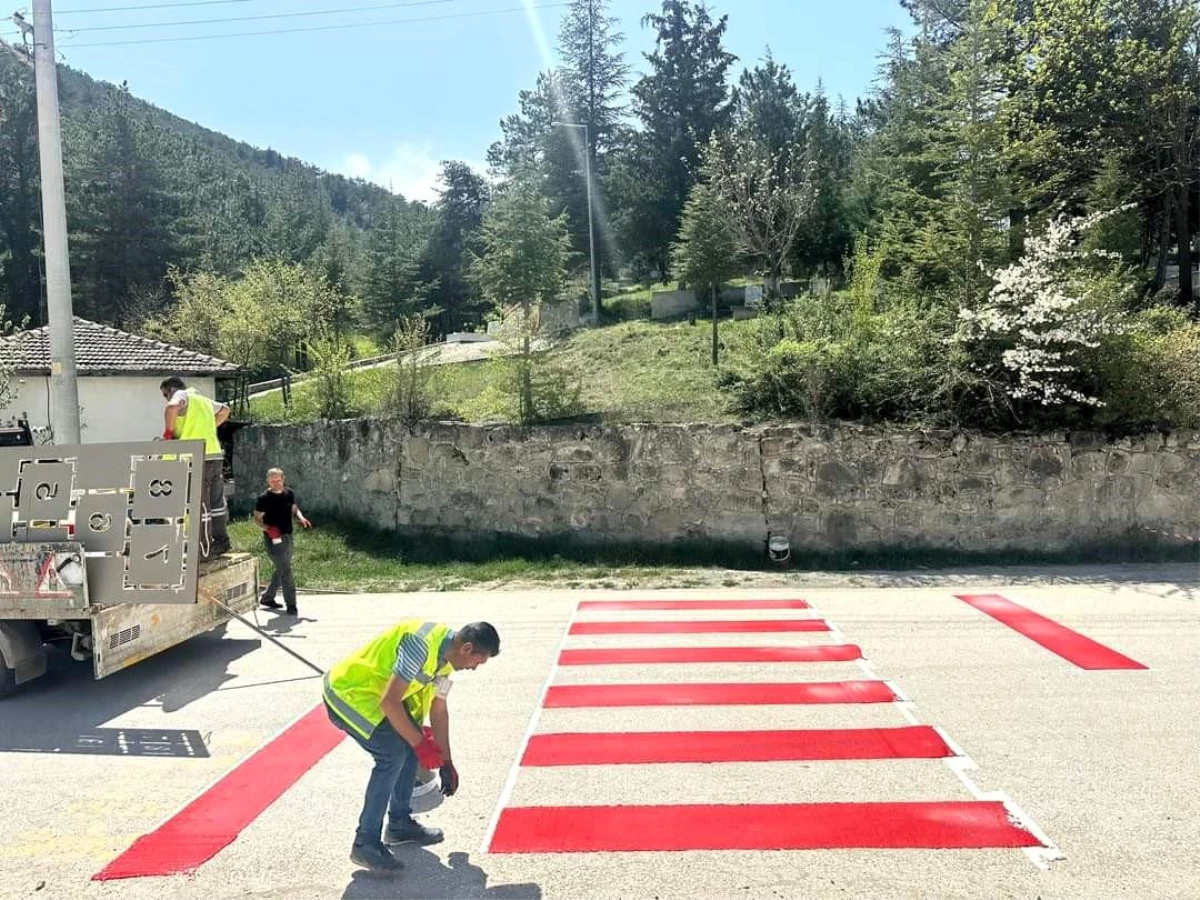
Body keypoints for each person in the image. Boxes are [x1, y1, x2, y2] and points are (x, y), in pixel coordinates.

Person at [323, 620, 501, 874]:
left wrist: (446, 761)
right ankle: (365, 843)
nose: (475, 668)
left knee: (407, 748)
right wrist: (421, 744)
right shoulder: (419, 647)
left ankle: (398, 824)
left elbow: (439, 710)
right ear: (467, 649)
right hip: (349, 694)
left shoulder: (446, 661)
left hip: (375, 696)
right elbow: (390, 702)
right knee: (392, 756)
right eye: (478, 662)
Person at [159, 376, 231, 560]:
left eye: (165, 394)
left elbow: (171, 408)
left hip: (197, 458)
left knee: (199, 504)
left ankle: (202, 550)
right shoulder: (203, 401)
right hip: (214, 455)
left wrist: (168, 434)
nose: (166, 399)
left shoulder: (181, 395)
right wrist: (210, 426)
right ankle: (221, 542)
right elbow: (225, 410)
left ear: (171, 390)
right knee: (216, 504)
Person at [253, 468, 311, 615]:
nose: (276, 483)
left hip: (288, 536)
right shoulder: (263, 498)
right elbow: (256, 519)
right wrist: (267, 529)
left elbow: (294, 508)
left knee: (282, 569)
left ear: (283, 479)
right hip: (273, 539)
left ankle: (267, 598)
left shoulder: (289, 493)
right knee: (286, 571)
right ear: (268, 481)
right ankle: (291, 604)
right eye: (272, 481)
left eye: (278, 480)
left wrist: (301, 517)